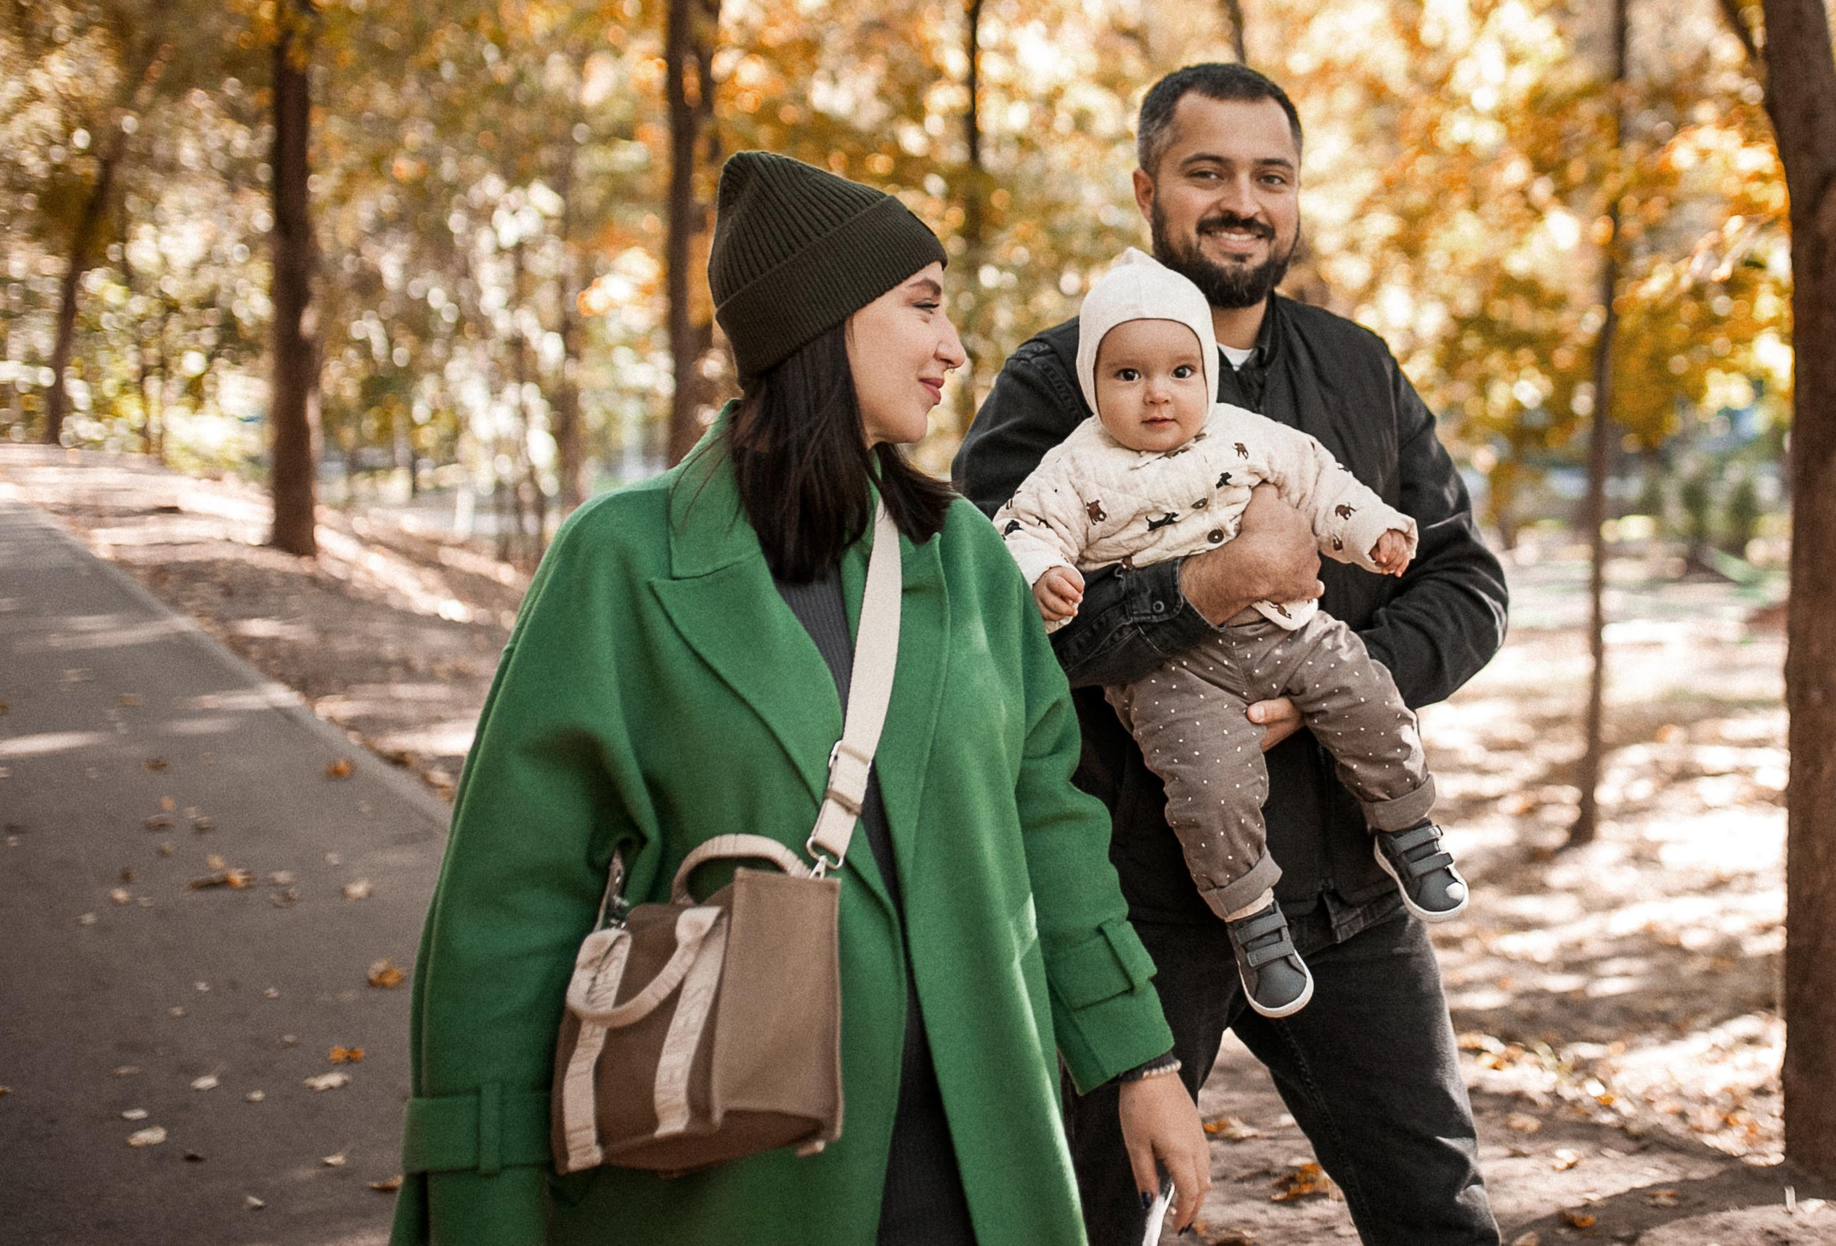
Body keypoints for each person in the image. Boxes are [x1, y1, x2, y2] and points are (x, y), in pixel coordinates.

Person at [394, 153, 1209, 1246]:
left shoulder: (968, 560)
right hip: (726, 1179)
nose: (953, 348)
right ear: (822, 323)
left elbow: (1049, 826)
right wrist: (479, 1196)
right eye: (922, 305)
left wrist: (1138, 1058)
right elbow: (511, 908)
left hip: (980, 1166)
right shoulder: (622, 562)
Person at [955, 63, 1510, 1246]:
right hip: (1137, 903)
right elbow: (995, 626)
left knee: (1440, 1213)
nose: (1241, 202)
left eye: (1272, 177)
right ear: (1149, 186)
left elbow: (1465, 579)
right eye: (1208, 172)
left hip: (1355, 893)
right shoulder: (1054, 383)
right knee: (1102, 1221)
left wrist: (1334, 680)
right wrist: (1215, 588)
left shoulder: (1356, 368)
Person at [992, 248, 1465, 1020]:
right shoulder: (1072, 467)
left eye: (1182, 371)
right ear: (1092, 383)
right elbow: (1019, 527)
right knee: (1209, 787)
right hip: (1172, 669)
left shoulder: (1245, 435)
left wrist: (1374, 529)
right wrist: (1041, 574)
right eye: (1128, 375)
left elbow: (1322, 485)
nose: (1158, 395)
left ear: (1207, 373)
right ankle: (1253, 918)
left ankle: (1409, 826)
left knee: (1366, 690)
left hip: (1285, 627)